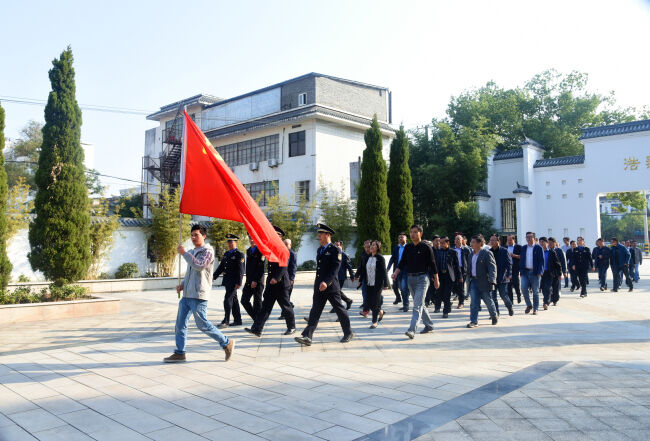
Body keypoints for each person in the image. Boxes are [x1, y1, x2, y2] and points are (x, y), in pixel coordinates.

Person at [164, 225, 234, 363]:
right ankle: (180, 352)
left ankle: (226, 343)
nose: (193, 237)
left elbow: (199, 265)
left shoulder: (208, 251)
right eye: (192, 235)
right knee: (180, 325)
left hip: (198, 295)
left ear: (204, 236)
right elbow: (190, 273)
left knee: (202, 324)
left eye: (196, 234)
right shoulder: (192, 251)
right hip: (187, 295)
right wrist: (183, 285)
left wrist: (184, 253)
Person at [295, 224, 354, 346]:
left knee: (340, 310)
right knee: (315, 311)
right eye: (318, 234)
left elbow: (335, 269)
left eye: (321, 234)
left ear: (328, 235)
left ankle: (348, 333)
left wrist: (326, 282)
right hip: (319, 286)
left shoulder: (335, 250)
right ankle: (307, 336)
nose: (318, 236)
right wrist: (319, 283)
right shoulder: (320, 249)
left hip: (331, 287)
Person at [245, 226, 296, 337]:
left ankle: (291, 327)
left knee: (286, 306)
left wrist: (276, 278)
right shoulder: (272, 248)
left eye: (275, 235)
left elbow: (283, 266)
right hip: (271, 284)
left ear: (280, 237)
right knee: (265, 307)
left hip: (281, 283)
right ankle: (257, 329)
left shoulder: (283, 249)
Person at [392, 225, 440, 339]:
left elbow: (433, 264)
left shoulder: (426, 247)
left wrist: (436, 280)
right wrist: (396, 273)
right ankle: (429, 325)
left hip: (422, 279)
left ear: (420, 234)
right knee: (420, 304)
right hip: (410, 279)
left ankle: (411, 330)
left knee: (417, 305)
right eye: (411, 232)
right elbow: (402, 262)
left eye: (415, 232)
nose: (412, 234)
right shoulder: (408, 247)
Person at [466, 234, 499, 328]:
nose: (471, 244)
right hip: (474, 281)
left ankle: (494, 316)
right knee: (474, 302)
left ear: (480, 243)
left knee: (488, 300)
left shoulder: (487, 253)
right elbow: (469, 268)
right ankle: (473, 321)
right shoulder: (471, 254)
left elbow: (492, 267)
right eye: (471, 242)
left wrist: (492, 280)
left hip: (485, 281)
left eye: (473, 242)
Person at [356, 240, 391, 328]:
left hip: (377, 284)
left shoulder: (380, 258)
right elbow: (364, 270)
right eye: (371, 245)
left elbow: (384, 271)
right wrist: (360, 280)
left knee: (375, 302)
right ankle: (380, 311)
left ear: (378, 247)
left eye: (374, 245)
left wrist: (386, 284)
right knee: (368, 302)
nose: (371, 246)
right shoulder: (367, 257)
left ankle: (374, 322)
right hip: (368, 283)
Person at [213, 234, 245, 328]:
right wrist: (214, 276)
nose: (229, 244)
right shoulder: (226, 254)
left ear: (236, 242)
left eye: (231, 242)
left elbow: (241, 270)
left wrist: (239, 282)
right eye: (228, 242)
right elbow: (221, 267)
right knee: (234, 300)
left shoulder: (239, 254)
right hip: (227, 281)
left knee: (227, 300)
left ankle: (226, 321)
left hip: (234, 282)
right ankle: (238, 320)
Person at [435, 236, 462, 318]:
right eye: (440, 243)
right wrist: (433, 275)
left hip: (449, 275)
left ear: (448, 243)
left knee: (447, 294)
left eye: (443, 243)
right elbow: (434, 264)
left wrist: (460, 276)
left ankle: (445, 311)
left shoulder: (453, 252)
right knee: (440, 293)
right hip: (440, 275)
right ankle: (446, 306)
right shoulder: (437, 252)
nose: (441, 244)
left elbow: (457, 265)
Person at [488, 235, 514, 317]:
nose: (491, 242)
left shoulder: (504, 251)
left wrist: (509, 275)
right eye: (490, 240)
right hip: (492, 278)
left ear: (498, 241)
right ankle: (496, 313)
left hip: (503, 277)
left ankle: (509, 306)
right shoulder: (489, 252)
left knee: (503, 295)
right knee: (493, 296)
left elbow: (509, 264)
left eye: (493, 240)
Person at [241, 237, 265, 321]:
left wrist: (255, 280)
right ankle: (256, 319)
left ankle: (258, 323)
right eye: (250, 238)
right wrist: (249, 280)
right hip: (249, 280)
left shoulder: (261, 250)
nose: (251, 240)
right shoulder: (248, 250)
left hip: (258, 281)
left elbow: (261, 268)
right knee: (244, 300)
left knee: (257, 302)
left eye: (253, 238)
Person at [519, 231, 544, 315]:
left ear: (534, 238)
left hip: (535, 273)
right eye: (527, 237)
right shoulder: (524, 248)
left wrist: (540, 272)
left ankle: (535, 308)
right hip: (525, 272)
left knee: (535, 291)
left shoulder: (538, 248)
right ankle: (529, 305)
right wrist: (521, 271)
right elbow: (522, 260)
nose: (529, 239)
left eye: (530, 237)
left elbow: (541, 261)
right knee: (523, 288)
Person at [387, 233, 409, 306]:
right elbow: (392, 258)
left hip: (405, 270)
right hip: (396, 270)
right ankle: (398, 298)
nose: (400, 239)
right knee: (395, 286)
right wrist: (388, 267)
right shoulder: (396, 248)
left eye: (402, 237)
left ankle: (405, 305)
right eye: (399, 237)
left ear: (406, 238)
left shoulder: (409, 247)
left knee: (403, 288)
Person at [278, 238, 297, 320]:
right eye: (284, 244)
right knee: (283, 297)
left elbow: (293, 267)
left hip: (288, 279)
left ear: (290, 245)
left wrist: (291, 279)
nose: (285, 246)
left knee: (286, 297)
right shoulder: (282, 253)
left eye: (286, 244)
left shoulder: (292, 254)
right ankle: (290, 305)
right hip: (282, 279)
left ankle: (284, 314)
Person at [539, 237, 562, 309]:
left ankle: (546, 302)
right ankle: (547, 299)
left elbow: (557, 263)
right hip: (540, 273)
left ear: (547, 243)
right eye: (540, 242)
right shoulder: (538, 252)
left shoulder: (551, 252)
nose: (541, 243)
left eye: (543, 242)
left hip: (549, 273)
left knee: (547, 287)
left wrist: (560, 273)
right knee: (543, 288)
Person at [334, 241, 355, 309]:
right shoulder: (333, 254)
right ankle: (347, 301)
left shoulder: (344, 255)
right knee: (336, 291)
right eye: (335, 245)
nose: (336, 247)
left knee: (336, 291)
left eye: (338, 245)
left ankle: (341, 304)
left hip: (341, 277)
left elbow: (349, 266)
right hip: (334, 276)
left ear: (341, 246)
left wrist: (352, 275)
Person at [354, 240, 372, 315]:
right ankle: (366, 309)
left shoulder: (375, 255)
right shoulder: (363, 254)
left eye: (368, 247)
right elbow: (360, 267)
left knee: (373, 295)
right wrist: (356, 276)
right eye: (365, 247)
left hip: (373, 278)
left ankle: (376, 309)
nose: (367, 249)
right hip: (365, 277)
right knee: (365, 293)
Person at [452, 234, 469, 309]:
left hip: (462, 270)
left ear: (462, 240)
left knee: (461, 286)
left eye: (459, 239)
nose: (457, 240)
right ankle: (459, 295)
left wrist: (468, 270)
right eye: (456, 239)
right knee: (453, 286)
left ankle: (461, 302)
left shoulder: (466, 249)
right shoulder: (452, 249)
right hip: (454, 269)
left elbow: (469, 260)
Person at [506, 235, 522, 304]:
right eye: (508, 240)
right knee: (509, 284)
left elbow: (522, 256)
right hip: (508, 268)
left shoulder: (518, 247)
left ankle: (518, 294)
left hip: (515, 267)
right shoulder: (505, 247)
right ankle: (511, 300)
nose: (509, 241)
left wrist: (514, 255)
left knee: (516, 283)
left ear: (514, 240)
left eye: (510, 240)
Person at [551, 238, 566, 305]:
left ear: (555, 243)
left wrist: (564, 271)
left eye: (551, 243)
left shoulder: (559, 250)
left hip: (557, 271)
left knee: (556, 286)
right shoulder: (547, 250)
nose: (550, 244)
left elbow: (563, 261)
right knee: (549, 286)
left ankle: (555, 299)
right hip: (549, 271)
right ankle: (550, 298)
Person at [428, 235, 441, 309]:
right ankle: (434, 301)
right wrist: (431, 275)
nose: (438, 242)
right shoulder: (430, 250)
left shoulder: (441, 250)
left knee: (440, 290)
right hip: (432, 274)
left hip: (441, 274)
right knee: (432, 291)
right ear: (433, 241)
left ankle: (438, 305)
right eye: (436, 241)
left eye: (439, 241)